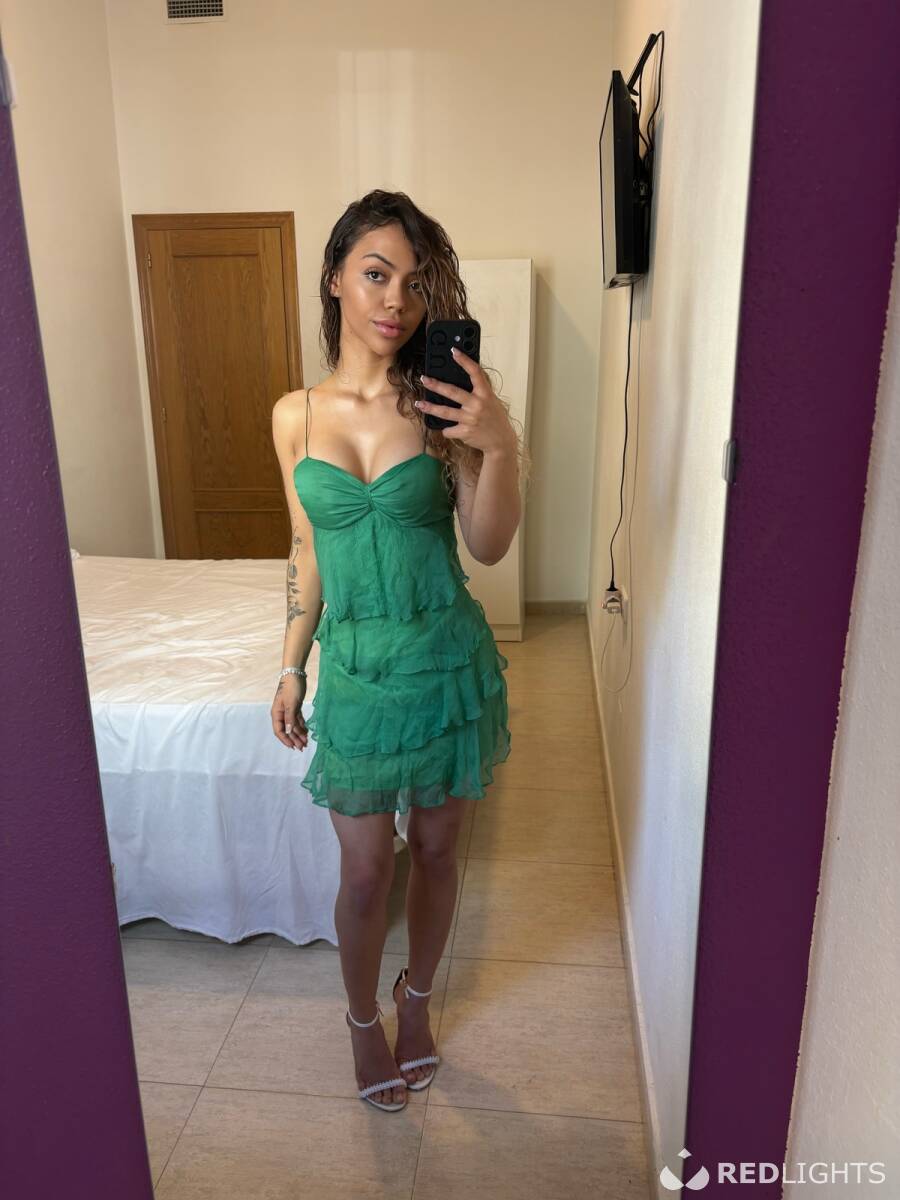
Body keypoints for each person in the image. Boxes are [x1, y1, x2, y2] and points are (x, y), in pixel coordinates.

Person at [270, 189, 527, 1112]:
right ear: (336, 276)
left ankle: (416, 1003)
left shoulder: (440, 401)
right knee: (366, 870)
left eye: (416, 284)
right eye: (376, 274)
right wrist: (292, 662)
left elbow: (488, 546)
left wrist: (499, 447)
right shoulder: (295, 415)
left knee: (440, 852)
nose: (396, 300)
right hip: (357, 673)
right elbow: (308, 550)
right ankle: (359, 1020)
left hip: (446, 666)